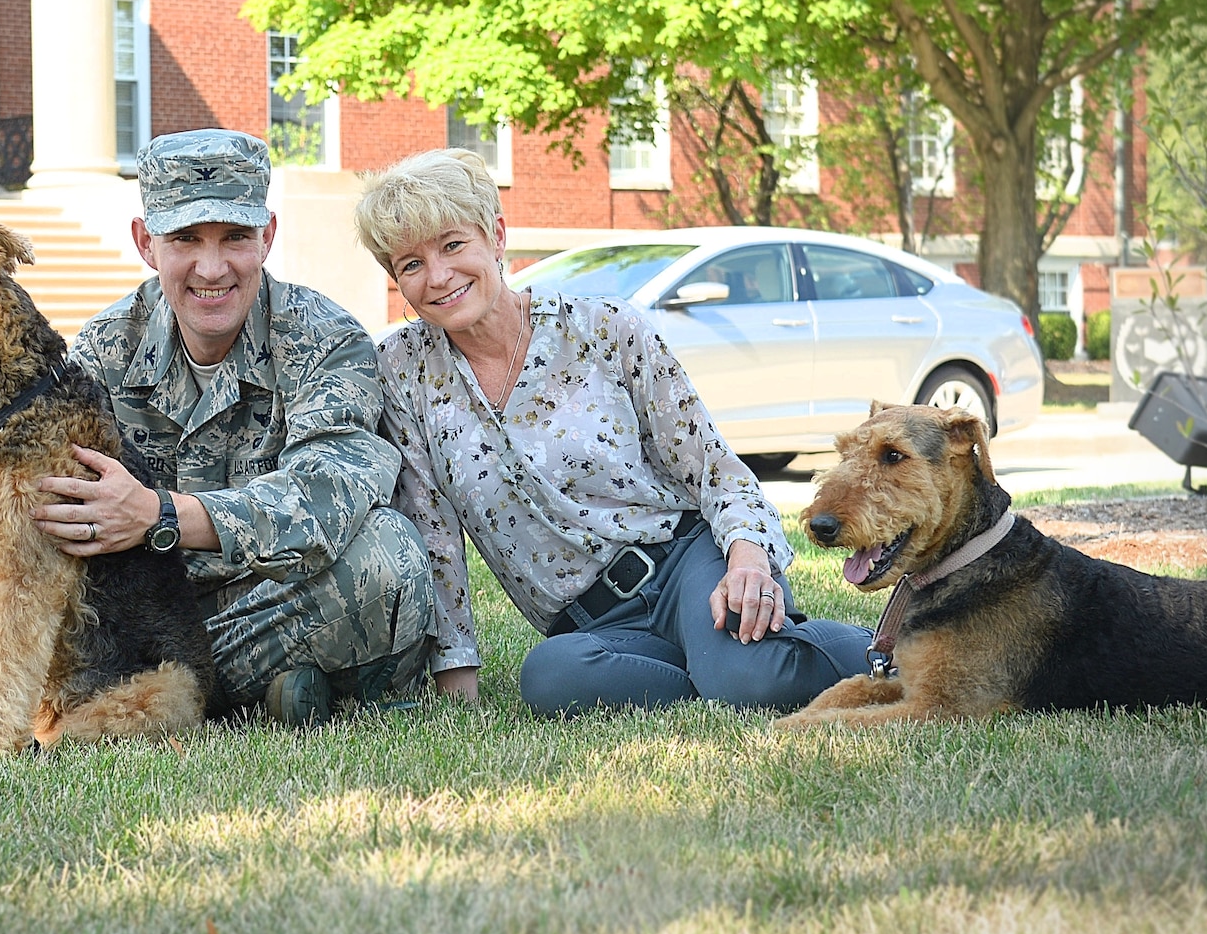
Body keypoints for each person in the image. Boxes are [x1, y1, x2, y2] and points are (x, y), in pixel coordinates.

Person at [354, 149, 873, 715]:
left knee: (748, 684)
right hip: (590, 624)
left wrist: (748, 561)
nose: (438, 277)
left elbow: (713, 469)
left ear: (496, 236)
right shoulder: (401, 371)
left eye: (453, 245)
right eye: (410, 264)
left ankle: (886, 650)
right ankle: (717, 666)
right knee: (550, 678)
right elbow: (434, 536)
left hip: (687, 564)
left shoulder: (604, 328)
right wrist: (458, 684)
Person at [33, 129, 436, 726]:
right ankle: (263, 690)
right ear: (146, 243)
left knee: (389, 558)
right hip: (144, 611)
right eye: (185, 239)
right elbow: (58, 503)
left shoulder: (327, 339)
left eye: (235, 238)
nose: (212, 267)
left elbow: (331, 498)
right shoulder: (103, 351)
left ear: (267, 236)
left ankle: (164, 696)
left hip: (272, 595)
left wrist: (157, 515)